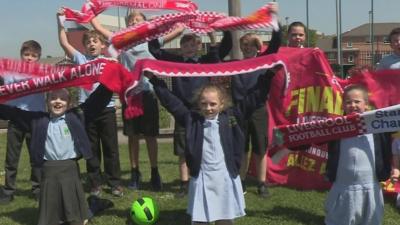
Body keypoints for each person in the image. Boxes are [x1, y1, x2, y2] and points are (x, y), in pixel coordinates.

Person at [145, 60, 277, 224]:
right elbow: (172, 102)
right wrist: (154, 80)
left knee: (225, 217)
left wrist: (269, 75)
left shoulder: (232, 117)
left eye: (213, 104)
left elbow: (254, 98)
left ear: (222, 104)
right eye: (204, 104)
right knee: (201, 218)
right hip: (202, 176)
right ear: (198, 104)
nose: (208, 108)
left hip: (225, 175)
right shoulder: (191, 119)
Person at [90, 10, 184, 191]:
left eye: (138, 19)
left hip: (147, 93)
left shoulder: (151, 40)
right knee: (133, 137)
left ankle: (154, 172)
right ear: (127, 24)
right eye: (131, 19)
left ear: (144, 23)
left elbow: (178, 31)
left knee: (150, 137)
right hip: (129, 96)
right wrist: (92, 9)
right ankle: (135, 172)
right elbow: (98, 28)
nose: (134, 21)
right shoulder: (121, 41)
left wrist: (182, 15)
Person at [0, 85, 113, 225]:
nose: (57, 101)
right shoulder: (37, 120)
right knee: (50, 217)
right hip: (48, 172)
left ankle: (93, 206)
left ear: (69, 102)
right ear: (47, 102)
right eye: (53, 98)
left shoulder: (77, 115)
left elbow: (97, 101)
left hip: (70, 170)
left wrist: (109, 81)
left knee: (76, 217)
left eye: (62, 99)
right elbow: (13, 113)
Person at [149, 30, 232, 197]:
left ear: (199, 46)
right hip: (183, 112)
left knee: (206, 146)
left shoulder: (205, 60)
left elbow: (225, 48)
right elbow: (153, 48)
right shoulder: (175, 61)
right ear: (180, 48)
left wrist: (216, 34)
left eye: (193, 44)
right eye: (185, 45)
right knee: (183, 149)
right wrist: (172, 30)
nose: (189, 48)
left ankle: (203, 178)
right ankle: (184, 183)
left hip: (204, 111)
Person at [57, 9, 123, 197]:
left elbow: (118, 43)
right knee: (91, 149)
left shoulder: (109, 60)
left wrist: (96, 23)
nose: (91, 44)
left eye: (95, 41)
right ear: (84, 46)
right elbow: (64, 42)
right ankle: (95, 184)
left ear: (102, 45)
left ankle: (115, 183)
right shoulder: (80, 60)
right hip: (87, 111)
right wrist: (60, 22)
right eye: (88, 42)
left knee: (111, 148)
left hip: (107, 110)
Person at [323, 84, 392, 225]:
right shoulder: (335, 127)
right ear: (343, 105)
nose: (352, 105)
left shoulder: (379, 126)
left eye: (357, 101)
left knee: (370, 219)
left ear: (366, 105)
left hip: (370, 182)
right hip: (344, 183)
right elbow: (310, 136)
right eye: (348, 102)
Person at [232, 4, 281, 197]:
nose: (248, 48)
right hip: (240, 110)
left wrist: (274, 17)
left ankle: (261, 183)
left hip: (259, 109)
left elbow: (277, 40)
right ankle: (241, 181)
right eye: (244, 46)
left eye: (251, 45)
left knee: (260, 148)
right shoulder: (236, 65)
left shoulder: (264, 61)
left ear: (257, 47)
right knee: (242, 148)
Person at [0, 40, 46, 204]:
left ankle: (38, 189)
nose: (29, 58)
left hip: (37, 118)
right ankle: (8, 191)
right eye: (26, 54)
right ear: (21, 55)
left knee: (37, 157)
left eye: (33, 55)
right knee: (11, 158)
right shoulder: (12, 72)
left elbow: (62, 79)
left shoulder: (44, 73)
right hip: (17, 117)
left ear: (38, 57)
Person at [376, 27, 400, 208]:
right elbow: (375, 83)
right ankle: (392, 178)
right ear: (391, 44)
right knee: (393, 145)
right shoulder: (385, 62)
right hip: (392, 111)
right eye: (395, 41)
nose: (398, 43)